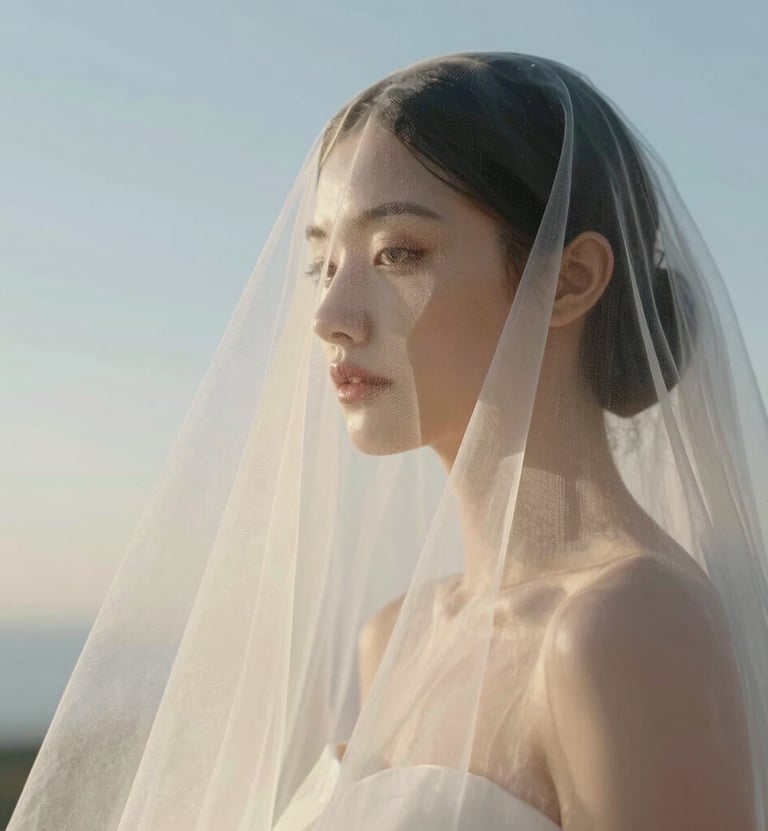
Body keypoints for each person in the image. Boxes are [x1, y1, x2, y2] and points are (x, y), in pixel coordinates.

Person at [9, 53, 767, 831]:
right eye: (323, 261)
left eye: (397, 252)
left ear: (569, 279)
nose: (330, 312)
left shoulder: (624, 628)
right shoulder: (396, 638)